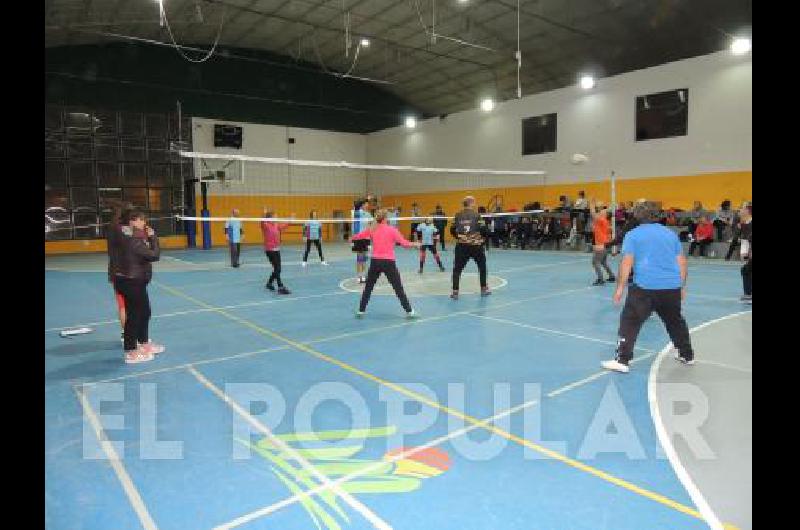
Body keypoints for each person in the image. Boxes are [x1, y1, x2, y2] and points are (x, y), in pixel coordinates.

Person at [601, 202, 695, 373]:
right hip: (671, 287)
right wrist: (681, 285)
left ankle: (622, 360)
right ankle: (687, 355)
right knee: (675, 321)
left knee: (630, 321)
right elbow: (681, 262)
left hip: (645, 288)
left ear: (637, 216)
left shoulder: (633, 235)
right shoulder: (670, 234)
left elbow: (627, 263)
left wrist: (620, 288)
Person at [351, 209, 421, 318]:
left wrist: (352, 238)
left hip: (375, 262)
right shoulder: (392, 230)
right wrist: (415, 244)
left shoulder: (372, 229)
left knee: (368, 287)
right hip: (388, 263)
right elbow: (405, 244)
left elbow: (359, 236)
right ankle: (410, 311)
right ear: (385, 218)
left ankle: (361, 311)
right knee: (398, 288)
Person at [114, 210, 163, 364]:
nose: (144, 222)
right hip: (131, 281)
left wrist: (145, 236)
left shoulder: (128, 234)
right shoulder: (132, 239)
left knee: (144, 312)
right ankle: (131, 352)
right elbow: (154, 255)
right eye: (141, 220)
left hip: (133, 281)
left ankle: (144, 344)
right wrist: (153, 237)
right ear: (132, 221)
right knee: (135, 315)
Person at [450, 196, 491, 299]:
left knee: (457, 269)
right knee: (482, 267)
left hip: (461, 246)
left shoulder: (457, 215)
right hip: (476, 246)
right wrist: (483, 240)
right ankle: (483, 289)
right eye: (474, 202)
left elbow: (452, 229)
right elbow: (483, 230)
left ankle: (455, 292)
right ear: (471, 203)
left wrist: (460, 237)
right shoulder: (477, 216)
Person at [107, 203, 128, 344]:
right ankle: (129, 336)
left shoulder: (111, 229)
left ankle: (125, 333)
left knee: (122, 305)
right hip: (125, 272)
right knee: (127, 306)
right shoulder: (123, 230)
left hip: (114, 271)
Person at [261, 208, 291, 294]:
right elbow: (262, 222)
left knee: (278, 268)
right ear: (270, 218)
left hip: (277, 249)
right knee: (277, 268)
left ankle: (269, 283)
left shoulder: (276, 225)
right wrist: (264, 214)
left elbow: (283, 226)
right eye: (275, 216)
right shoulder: (266, 225)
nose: (276, 218)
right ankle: (280, 286)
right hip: (270, 250)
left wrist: (290, 220)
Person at [590, 201, 616, 285]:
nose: (601, 211)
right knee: (603, 262)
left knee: (595, 261)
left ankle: (600, 279)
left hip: (601, 244)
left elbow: (593, 213)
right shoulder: (605, 222)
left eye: (602, 211)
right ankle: (611, 276)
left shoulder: (601, 220)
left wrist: (592, 204)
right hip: (606, 244)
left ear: (604, 215)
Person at [352, 199, 374, 283]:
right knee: (359, 257)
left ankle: (363, 275)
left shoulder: (368, 214)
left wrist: (371, 237)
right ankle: (359, 276)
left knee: (364, 257)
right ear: (362, 205)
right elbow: (356, 206)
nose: (367, 205)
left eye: (368, 204)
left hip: (366, 238)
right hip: (358, 238)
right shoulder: (357, 213)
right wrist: (367, 198)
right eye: (366, 204)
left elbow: (371, 226)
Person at [739, 204, 752, 303]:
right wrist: (744, 252)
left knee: (746, 270)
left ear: (748, 211)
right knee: (746, 270)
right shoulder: (745, 223)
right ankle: (748, 293)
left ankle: (748, 294)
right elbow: (746, 239)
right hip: (749, 249)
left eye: (743, 208)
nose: (740, 210)